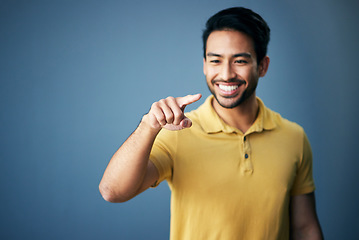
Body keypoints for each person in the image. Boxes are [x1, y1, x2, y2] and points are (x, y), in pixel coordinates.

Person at [99, 7, 323, 240]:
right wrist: (148, 126)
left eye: (240, 61)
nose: (226, 74)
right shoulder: (178, 132)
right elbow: (112, 192)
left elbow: (304, 227)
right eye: (215, 60)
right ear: (205, 64)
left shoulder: (294, 137)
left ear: (262, 66)